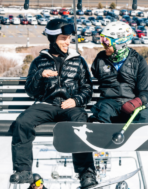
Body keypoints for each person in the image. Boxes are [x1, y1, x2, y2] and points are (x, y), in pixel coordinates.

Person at [9, 19, 97, 189]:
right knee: (22, 122)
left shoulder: (78, 61)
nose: (68, 42)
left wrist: (76, 100)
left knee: (80, 124)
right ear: (52, 39)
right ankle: (23, 170)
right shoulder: (39, 62)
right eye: (63, 38)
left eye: (69, 38)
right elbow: (31, 91)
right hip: (46, 105)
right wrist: (40, 75)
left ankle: (86, 173)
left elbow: (87, 88)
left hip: (71, 107)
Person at [89, 21, 148, 124]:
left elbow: (145, 92)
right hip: (108, 103)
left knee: (144, 117)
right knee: (102, 114)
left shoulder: (138, 61)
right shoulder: (100, 59)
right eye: (102, 40)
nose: (104, 45)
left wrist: (135, 103)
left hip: (132, 103)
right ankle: (99, 135)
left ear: (120, 43)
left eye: (107, 41)